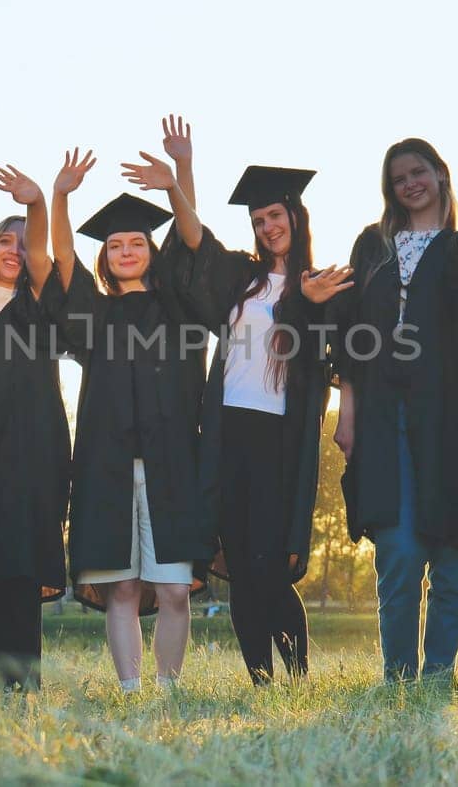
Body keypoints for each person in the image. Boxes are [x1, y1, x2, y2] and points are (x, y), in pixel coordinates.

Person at [137, 115, 352, 685]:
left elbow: (318, 355)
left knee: (268, 566)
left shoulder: (320, 283)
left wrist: (305, 302)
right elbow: (193, 243)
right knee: (238, 564)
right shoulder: (242, 277)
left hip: (279, 437)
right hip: (229, 429)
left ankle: (299, 678)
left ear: (295, 217)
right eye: (258, 220)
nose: (266, 226)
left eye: (275, 215)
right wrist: (179, 175)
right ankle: (262, 681)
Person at [329, 137, 458, 682]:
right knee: (397, 553)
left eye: (419, 172)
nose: (409, 183)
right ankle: (398, 676)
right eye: (398, 178)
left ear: (440, 173)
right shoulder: (373, 245)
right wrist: (347, 413)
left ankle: (438, 676)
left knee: (451, 558)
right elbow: (351, 335)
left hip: (453, 419)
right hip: (384, 415)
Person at [43, 156, 211, 693]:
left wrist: (178, 180)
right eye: (115, 246)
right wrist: (60, 195)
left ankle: (168, 688)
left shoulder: (178, 308)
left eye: (135, 244)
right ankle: (130, 689)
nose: (125, 252)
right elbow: (62, 258)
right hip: (108, 463)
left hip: (173, 464)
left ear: (150, 250)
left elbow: (192, 244)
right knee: (121, 588)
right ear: (105, 257)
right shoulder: (93, 314)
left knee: (175, 590)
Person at [0, 156, 84, 689]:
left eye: (20, 242)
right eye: (1, 242)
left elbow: (43, 252)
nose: (13, 250)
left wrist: (38, 203)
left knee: (20, 567)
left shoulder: (36, 304)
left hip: (31, 450)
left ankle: (18, 684)